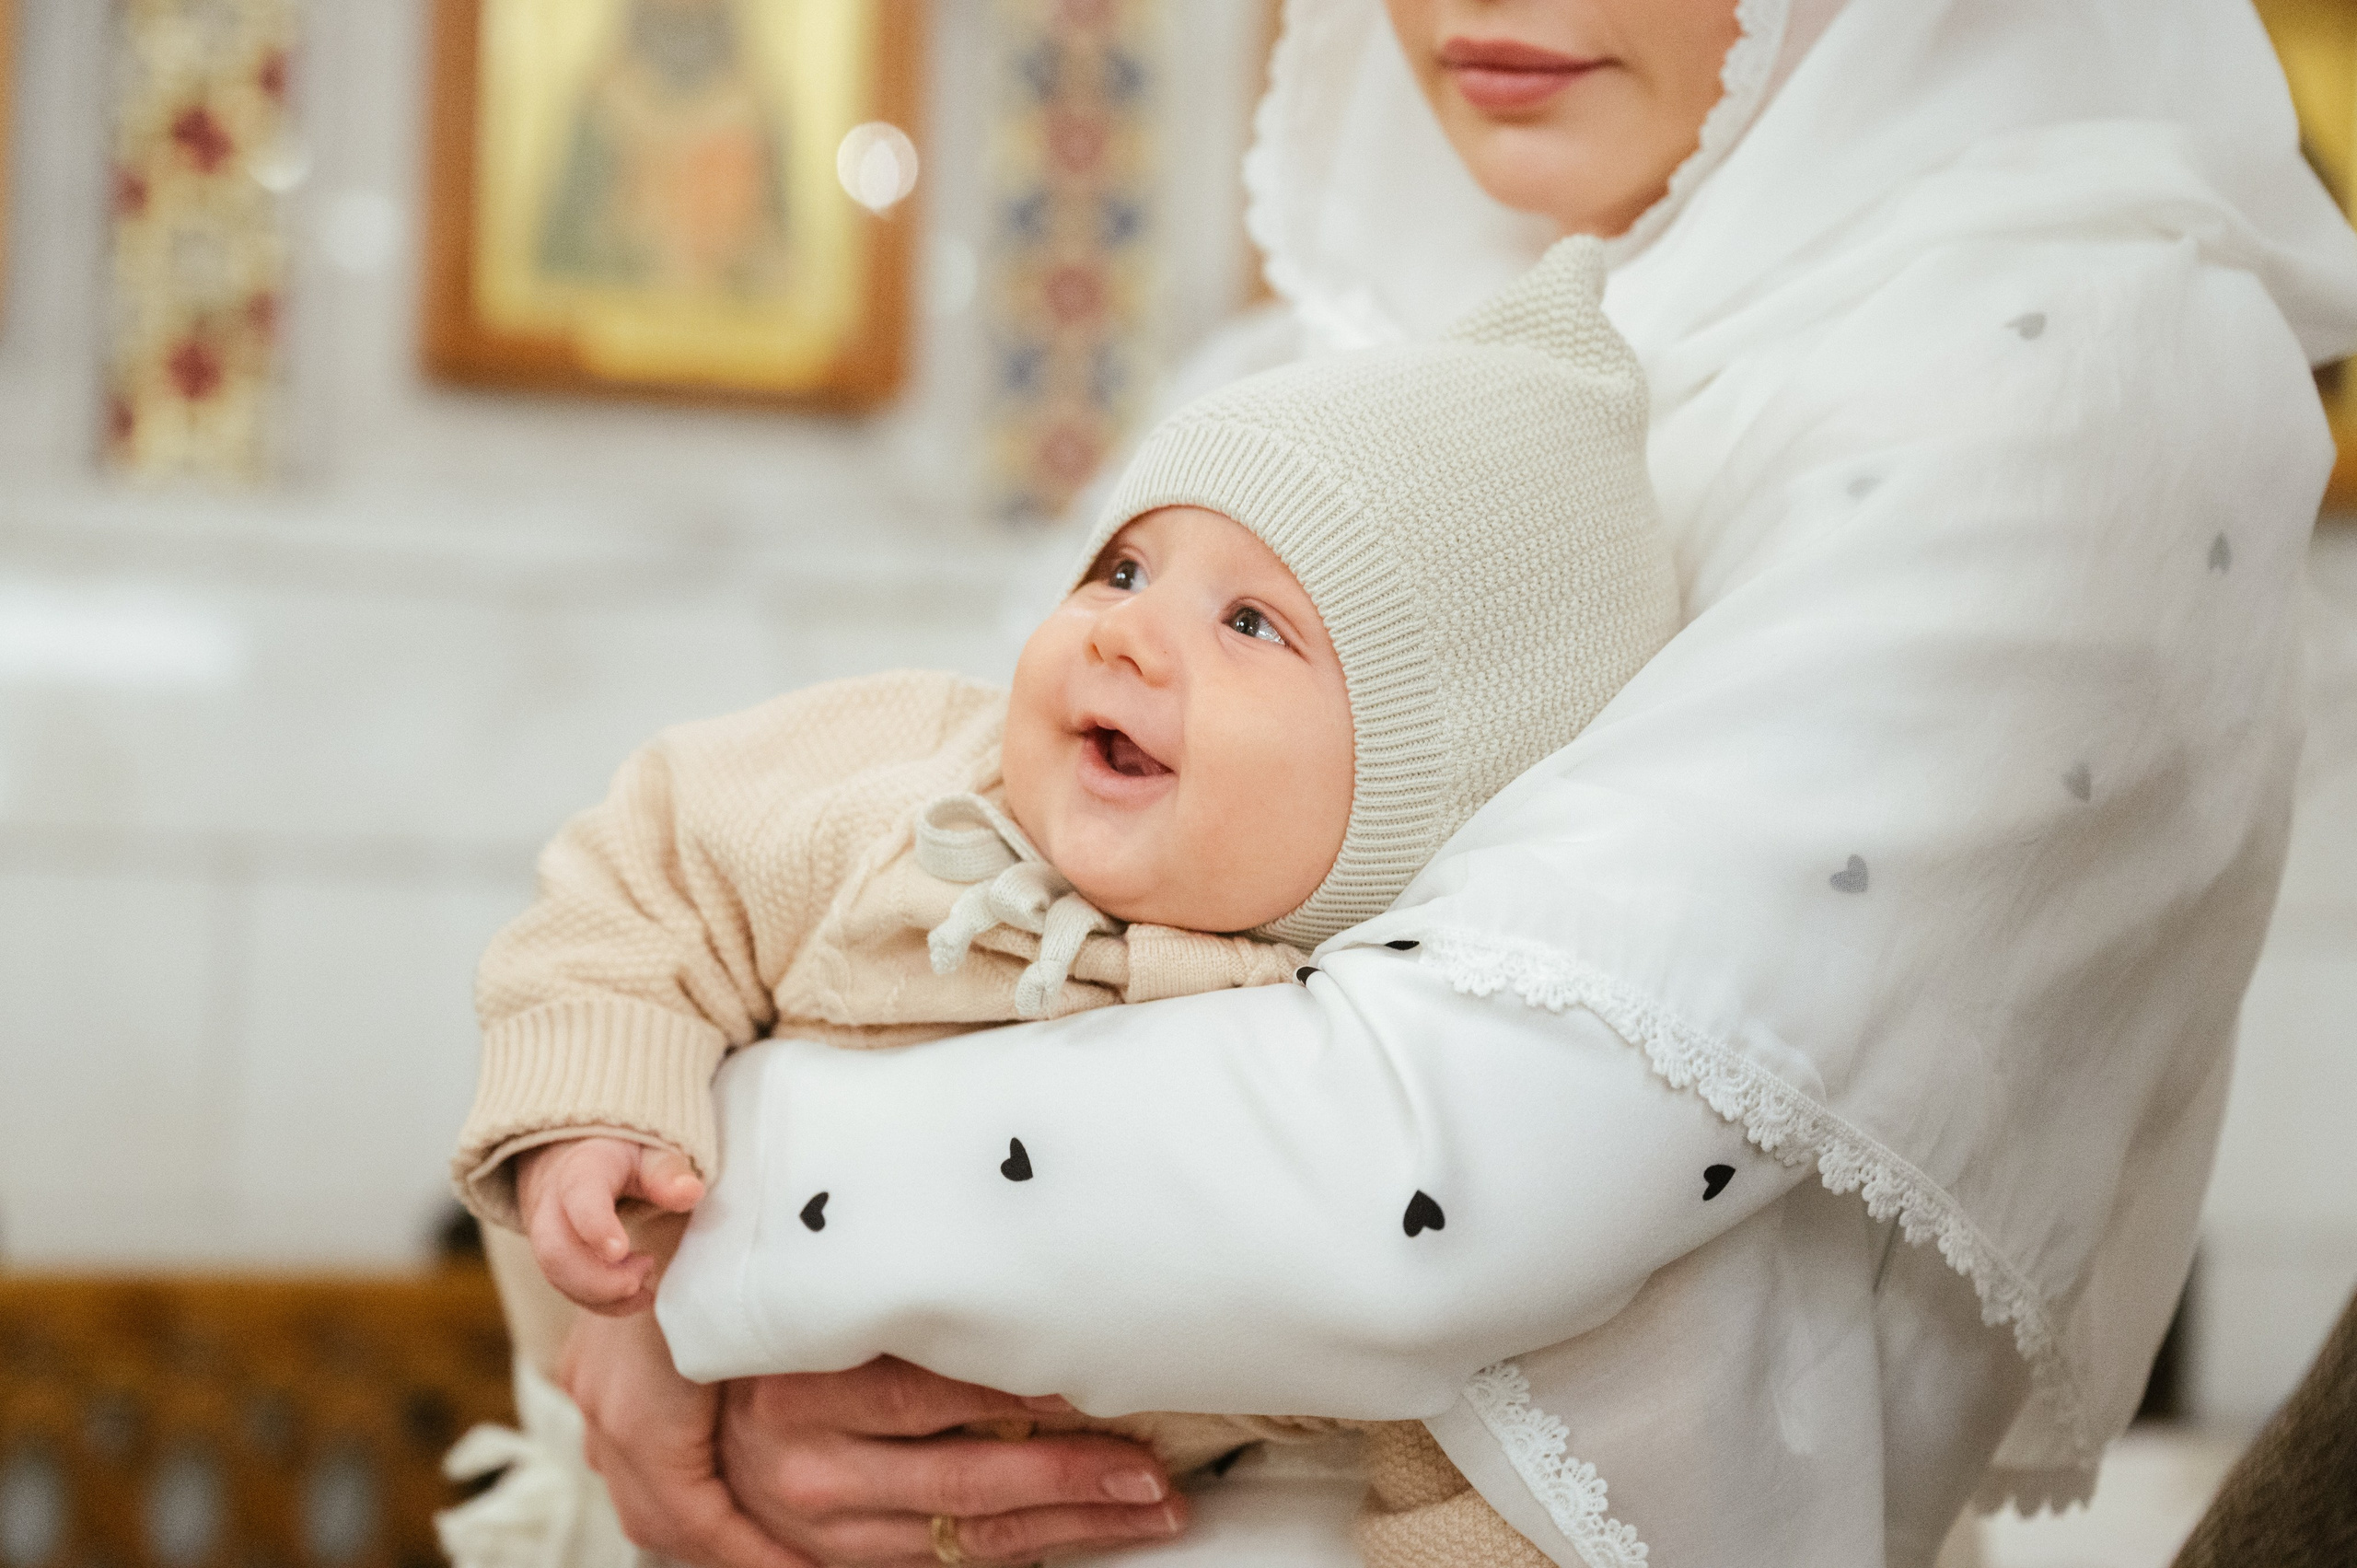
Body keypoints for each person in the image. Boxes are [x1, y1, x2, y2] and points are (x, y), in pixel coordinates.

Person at [545, 3, 2357, 1566]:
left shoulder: (2070, 370)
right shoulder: (1298, 371)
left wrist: (675, 1265)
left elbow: (1428, 1184)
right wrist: (622, 1316)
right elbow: (826, 869)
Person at [444, 240, 1676, 1568]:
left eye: (1252, 625)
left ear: (1415, 797)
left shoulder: (1362, 1083)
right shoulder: (914, 786)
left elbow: (1465, 1421)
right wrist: (597, 1105)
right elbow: (659, 858)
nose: (1123, 634)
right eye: (1124, 571)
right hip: (633, 1421)